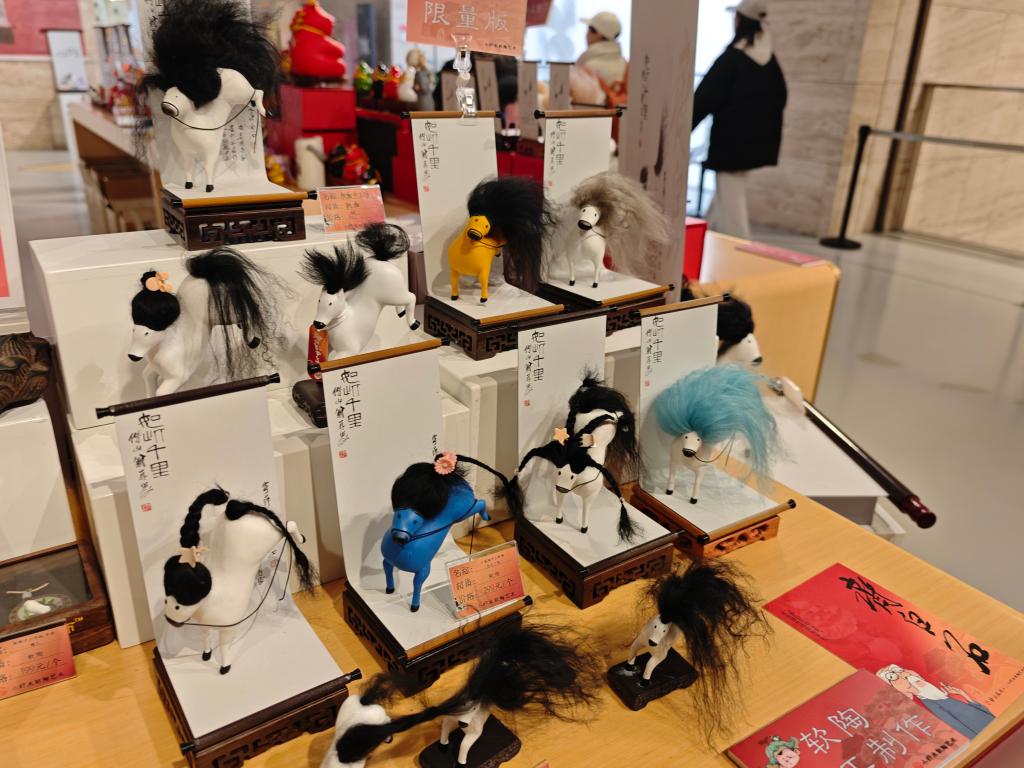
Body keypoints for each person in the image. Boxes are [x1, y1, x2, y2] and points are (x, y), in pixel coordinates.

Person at [691, 0, 787, 239]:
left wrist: (682, 130)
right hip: (756, 143)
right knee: (727, 194)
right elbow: (781, 97)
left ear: (740, 20)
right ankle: (709, 236)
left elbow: (704, 98)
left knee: (732, 201)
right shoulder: (769, 59)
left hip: (731, 143)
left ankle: (739, 245)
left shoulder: (733, 58)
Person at [876, 664, 996, 739]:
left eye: (901, 670)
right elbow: (965, 727)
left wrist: (963, 694)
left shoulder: (941, 695)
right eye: (893, 677)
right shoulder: (929, 707)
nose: (906, 675)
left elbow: (984, 714)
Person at [571, 12, 627, 107]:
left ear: (598, 34)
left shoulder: (586, 67)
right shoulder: (624, 63)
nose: (586, 35)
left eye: (589, 30)